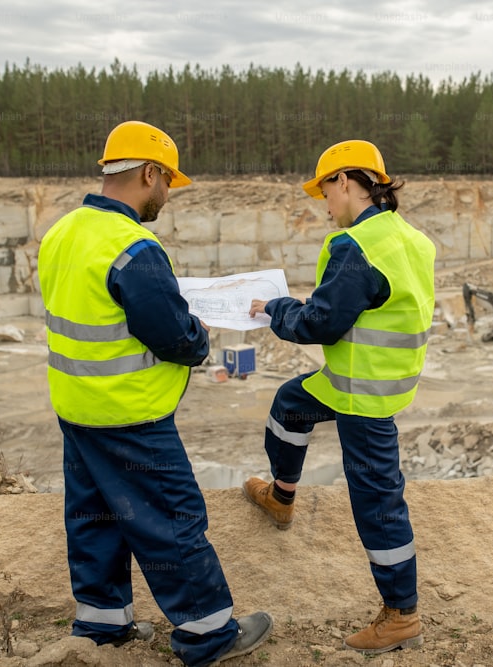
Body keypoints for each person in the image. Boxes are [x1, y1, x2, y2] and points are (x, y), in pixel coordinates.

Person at [37, 120, 272, 667]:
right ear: (149, 173)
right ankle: (209, 635)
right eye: (167, 182)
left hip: (77, 407)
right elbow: (177, 339)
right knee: (171, 520)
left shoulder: (63, 231)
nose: (167, 195)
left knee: (94, 515)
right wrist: (199, 332)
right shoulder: (135, 247)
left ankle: (101, 626)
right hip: (131, 413)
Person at [246, 139, 435, 655]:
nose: (324, 203)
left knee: (377, 500)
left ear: (347, 182)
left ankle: (402, 615)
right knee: (291, 404)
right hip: (376, 377)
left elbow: (321, 324)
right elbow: (365, 308)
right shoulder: (409, 238)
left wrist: (275, 309)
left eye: (324, 190)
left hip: (363, 392)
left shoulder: (356, 246)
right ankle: (281, 498)